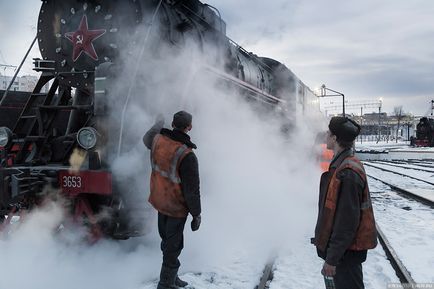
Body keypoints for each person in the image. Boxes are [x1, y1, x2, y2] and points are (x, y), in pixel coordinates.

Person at [312, 116, 377, 289]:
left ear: (334, 138)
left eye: (329, 133)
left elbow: (346, 224)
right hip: (344, 254)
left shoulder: (347, 173)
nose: (325, 135)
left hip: (345, 255)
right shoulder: (344, 165)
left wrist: (332, 260)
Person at [143, 111, 201, 289]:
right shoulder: (187, 155)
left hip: (160, 200)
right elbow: (192, 191)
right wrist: (196, 214)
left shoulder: (158, 140)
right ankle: (166, 283)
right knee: (173, 245)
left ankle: (172, 277)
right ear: (189, 127)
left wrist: (157, 123)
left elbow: (147, 138)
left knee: (167, 240)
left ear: (173, 124)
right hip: (176, 207)